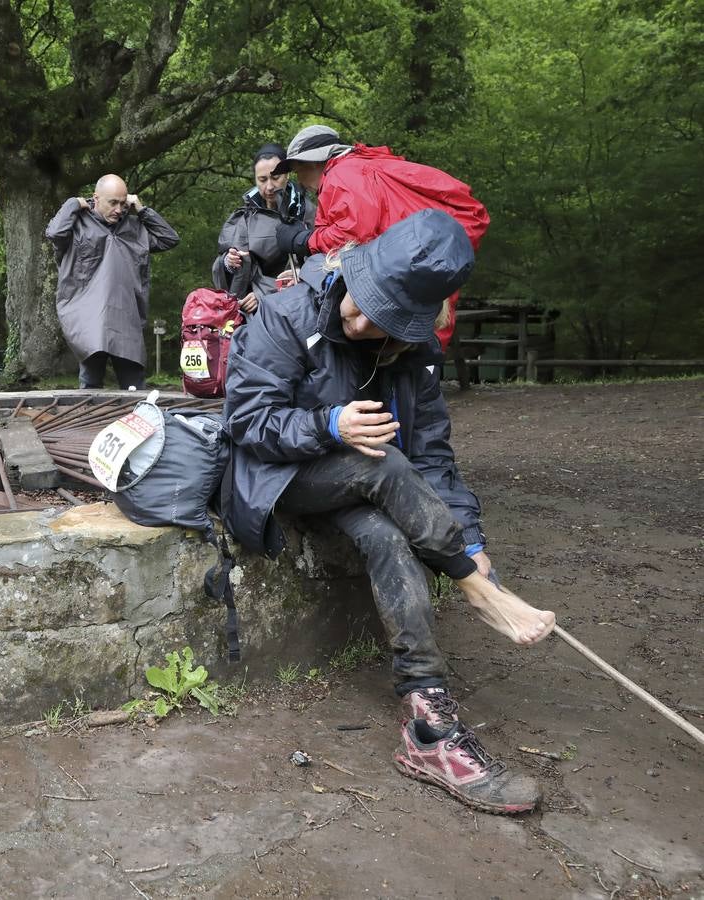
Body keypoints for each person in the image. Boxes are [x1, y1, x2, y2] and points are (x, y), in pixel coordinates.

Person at [224, 209, 556, 814]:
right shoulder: (284, 313)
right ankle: (474, 592)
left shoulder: (416, 353)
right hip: (281, 478)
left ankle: (427, 725)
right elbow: (245, 423)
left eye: (381, 319)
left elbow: (431, 454)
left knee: (389, 536)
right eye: (361, 299)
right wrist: (327, 424)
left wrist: (474, 545)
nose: (357, 316)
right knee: (380, 462)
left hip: (370, 490)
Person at [271, 125, 489, 349]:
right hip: (424, 275)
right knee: (421, 355)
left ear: (314, 162)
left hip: (403, 281)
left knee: (404, 359)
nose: (299, 180)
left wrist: (304, 241)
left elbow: (353, 235)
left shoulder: (341, 173)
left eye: (298, 170)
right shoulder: (362, 168)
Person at [46, 174, 179, 389]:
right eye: (112, 203)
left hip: (126, 322)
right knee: (90, 392)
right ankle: (89, 423)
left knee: (135, 390)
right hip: (90, 324)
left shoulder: (135, 228)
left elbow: (169, 239)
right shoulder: (77, 225)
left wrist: (142, 210)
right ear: (96, 198)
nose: (118, 209)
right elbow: (54, 232)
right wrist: (72, 203)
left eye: (122, 203)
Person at [211, 143, 317, 314]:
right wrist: (228, 263)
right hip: (247, 308)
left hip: (294, 307)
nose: (269, 187)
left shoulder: (307, 212)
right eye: (262, 180)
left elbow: (321, 262)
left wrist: (263, 294)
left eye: (275, 178)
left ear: (287, 175)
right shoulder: (243, 216)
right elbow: (223, 266)